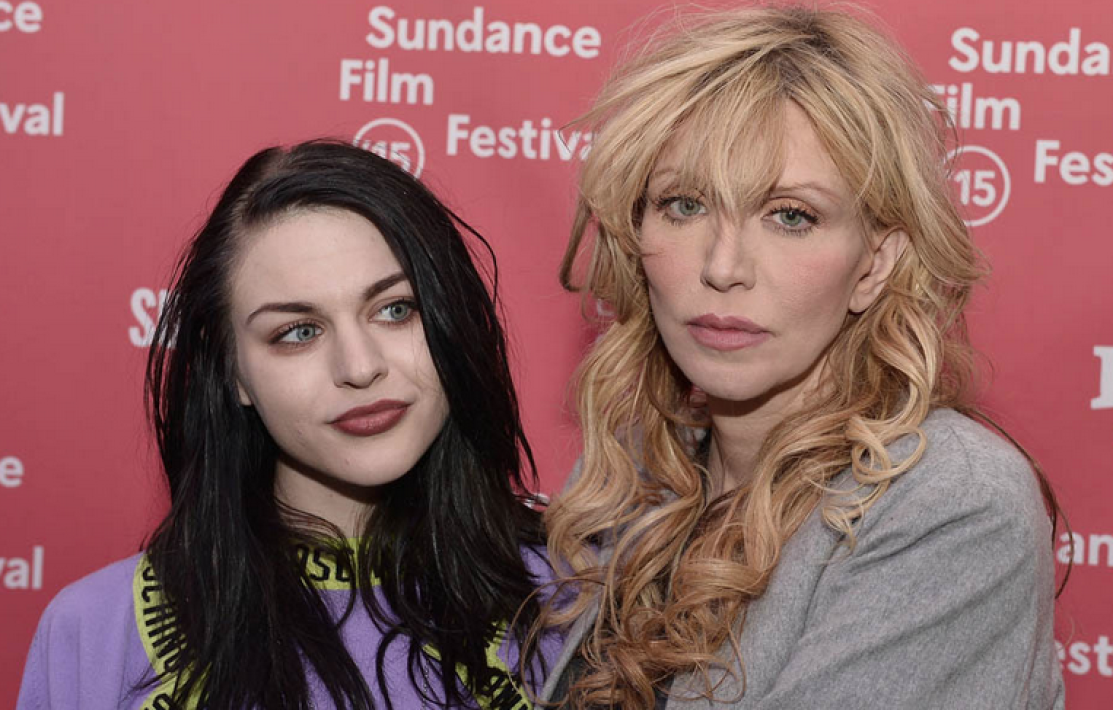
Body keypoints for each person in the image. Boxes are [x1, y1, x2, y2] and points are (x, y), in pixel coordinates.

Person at [539, 6, 1065, 709]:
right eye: (684, 205)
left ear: (875, 263)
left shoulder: (952, 503)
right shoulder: (631, 476)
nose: (723, 267)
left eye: (790, 215)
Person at [18, 140, 558, 710]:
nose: (360, 367)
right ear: (234, 374)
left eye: (395, 309)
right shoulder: (94, 633)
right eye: (298, 332)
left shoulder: (574, 600)